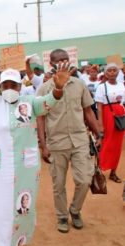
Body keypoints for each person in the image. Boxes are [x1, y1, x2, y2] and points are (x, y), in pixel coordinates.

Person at [0, 59, 66, 246]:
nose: (9, 88)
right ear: (0, 86)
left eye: (13, 85)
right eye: (5, 85)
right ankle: (2, 243)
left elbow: (49, 103)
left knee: (23, 204)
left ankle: (18, 240)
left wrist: (58, 88)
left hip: (25, 167)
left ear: (20, 85)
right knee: (0, 204)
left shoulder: (30, 102)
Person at [37, 49, 103, 234]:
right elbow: (40, 118)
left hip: (80, 139)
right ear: (51, 64)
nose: (64, 63)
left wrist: (99, 134)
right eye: (59, 61)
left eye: (66, 60)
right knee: (58, 185)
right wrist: (43, 145)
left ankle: (74, 211)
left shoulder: (79, 84)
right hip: (56, 143)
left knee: (84, 179)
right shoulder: (44, 89)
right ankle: (62, 217)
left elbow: (88, 111)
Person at [95, 63, 124, 183]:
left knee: (117, 146)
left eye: (114, 70)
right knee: (105, 143)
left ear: (118, 72)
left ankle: (113, 172)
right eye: (109, 71)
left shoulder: (122, 85)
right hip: (107, 116)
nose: (112, 72)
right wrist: (100, 124)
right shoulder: (102, 87)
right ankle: (99, 170)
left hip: (120, 116)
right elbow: (99, 107)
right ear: (105, 73)